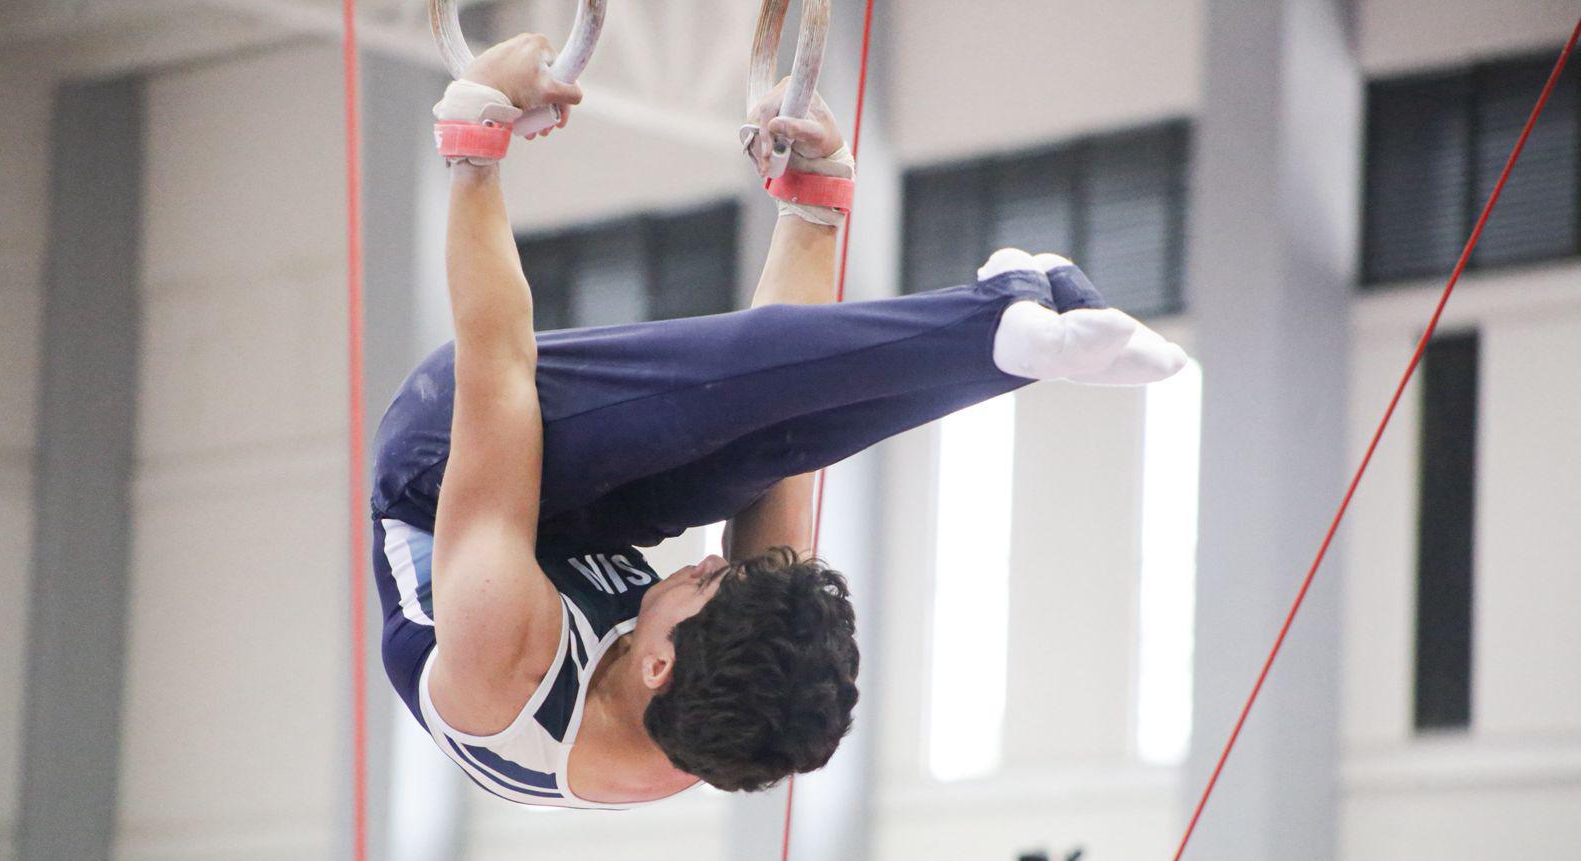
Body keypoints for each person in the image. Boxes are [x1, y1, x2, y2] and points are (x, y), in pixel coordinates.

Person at [371, 34, 1187, 810]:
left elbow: (497, 366)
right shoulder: (731, 711)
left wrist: (475, 135)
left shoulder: (503, 670)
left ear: (655, 667)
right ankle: (1016, 344)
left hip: (444, 466)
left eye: (707, 584)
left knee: (696, 397)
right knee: (769, 436)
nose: (700, 564)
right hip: (581, 525)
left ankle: (996, 334)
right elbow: (786, 427)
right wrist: (815, 204)